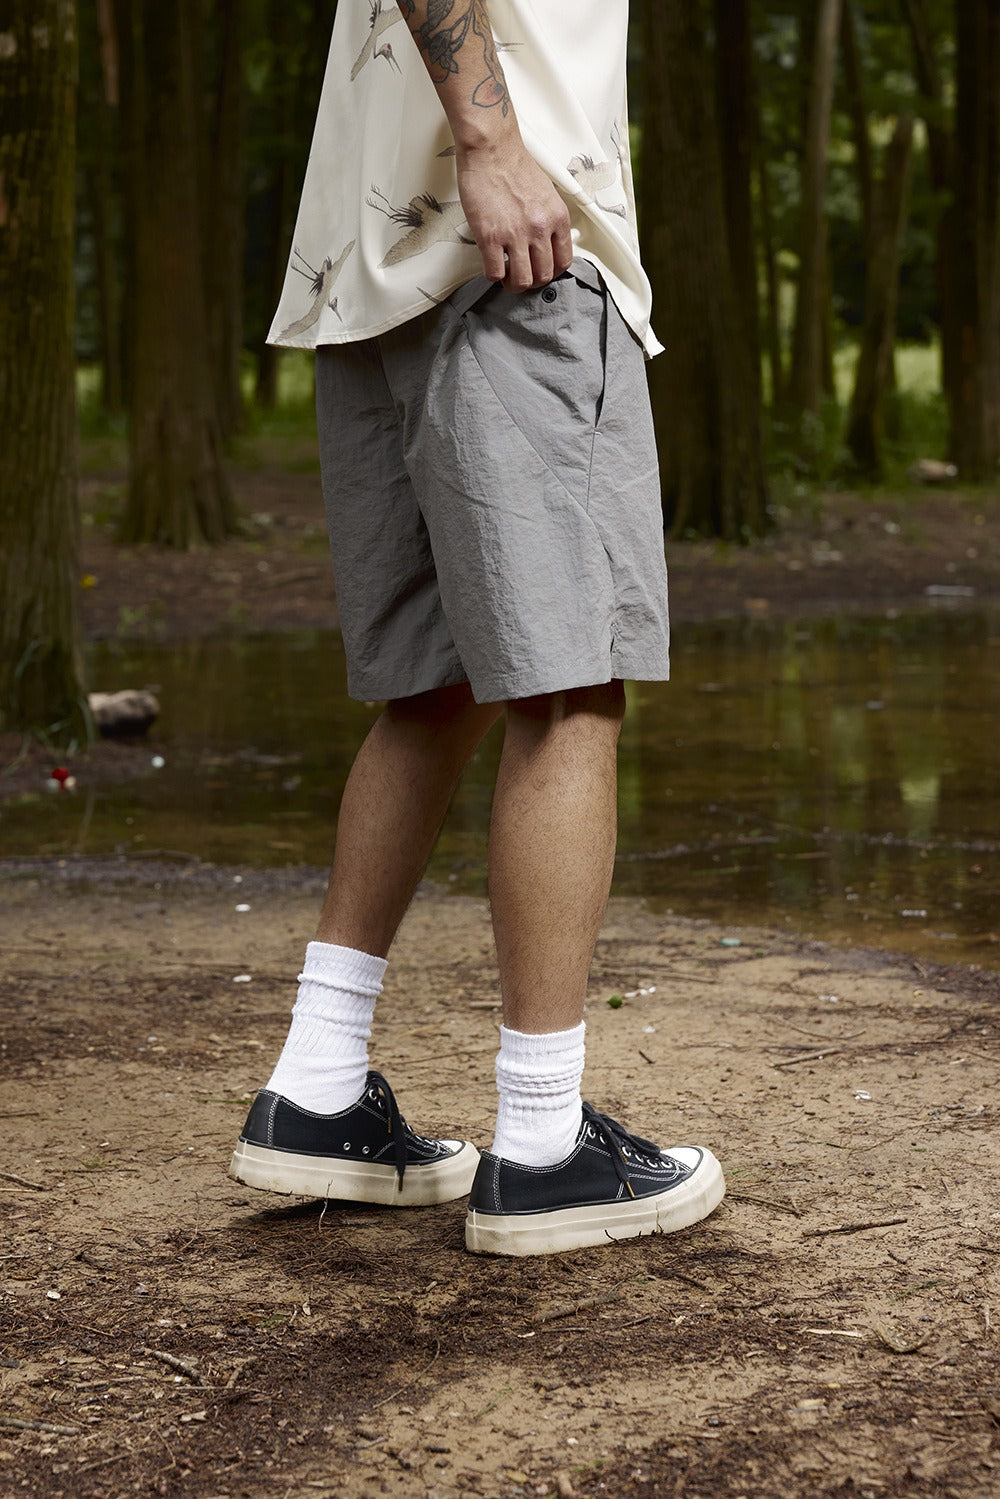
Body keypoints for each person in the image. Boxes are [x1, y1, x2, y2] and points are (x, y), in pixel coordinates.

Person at [230, 0, 725, 1256]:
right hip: (512, 248)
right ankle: (546, 1144)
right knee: (570, 687)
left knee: (435, 686)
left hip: (374, 265)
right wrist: (492, 141)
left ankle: (317, 1085)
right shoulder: (500, 173)